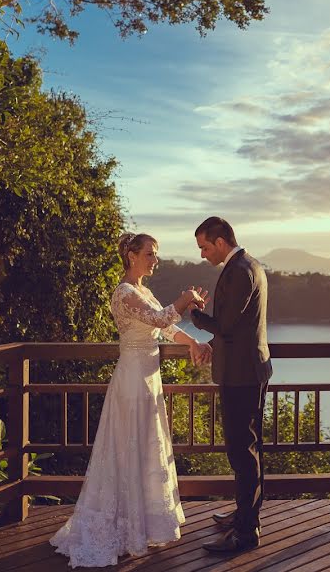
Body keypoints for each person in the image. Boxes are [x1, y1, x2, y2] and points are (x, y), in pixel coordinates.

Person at [50, 232, 212, 568]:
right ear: (132, 256)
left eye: (157, 254)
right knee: (127, 447)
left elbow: (165, 329)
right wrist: (183, 301)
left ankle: (142, 526)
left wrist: (193, 343)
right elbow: (158, 318)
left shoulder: (144, 291)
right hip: (132, 381)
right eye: (151, 254)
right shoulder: (124, 293)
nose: (156, 259)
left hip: (149, 379)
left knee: (145, 448)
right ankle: (120, 530)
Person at [190, 216, 273, 554]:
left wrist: (195, 313)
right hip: (245, 372)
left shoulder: (240, 270)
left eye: (204, 247)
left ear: (221, 242)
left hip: (242, 375)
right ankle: (244, 515)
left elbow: (224, 325)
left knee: (243, 452)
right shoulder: (245, 265)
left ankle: (246, 532)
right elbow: (234, 325)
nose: (202, 254)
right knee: (246, 450)